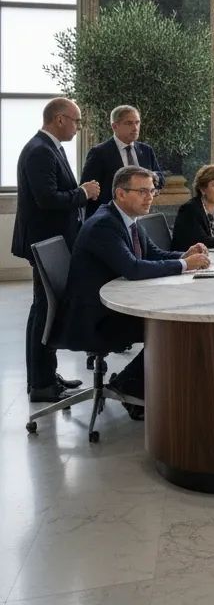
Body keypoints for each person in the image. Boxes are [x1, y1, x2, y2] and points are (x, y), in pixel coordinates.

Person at [57, 166, 209, 417]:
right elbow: (134, 268)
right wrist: (184, 265)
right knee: (172, 326)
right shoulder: (104, 225)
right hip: (93, 319)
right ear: (120, 194)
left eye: (152, 191)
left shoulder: (128, 220)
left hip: (110, 306)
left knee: (174, 322)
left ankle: (131, 383)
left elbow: (154, 255)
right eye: (142, 191)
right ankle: (130, 384)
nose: (149, 196)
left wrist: (184, 255)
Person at [12, 98, 99, 402]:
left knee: (46, 309)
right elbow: (47, 199)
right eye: (76, 121)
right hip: (45, 243)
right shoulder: (39, 151)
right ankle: (41, 384)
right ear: (60, 119)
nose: (78, 127)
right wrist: (83, 193)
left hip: (52, 242)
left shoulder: (49, 147)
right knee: (44, 311)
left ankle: (46, 375)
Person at [81, 104, 164, 216]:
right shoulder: (99, 153)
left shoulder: (146, 150)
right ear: (115, 126)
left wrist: (153, 177)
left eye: (137, 122)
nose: (135, 128)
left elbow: (160, 178)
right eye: (129, 123)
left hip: (141, 215)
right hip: (110, 217)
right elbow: (90, 190)